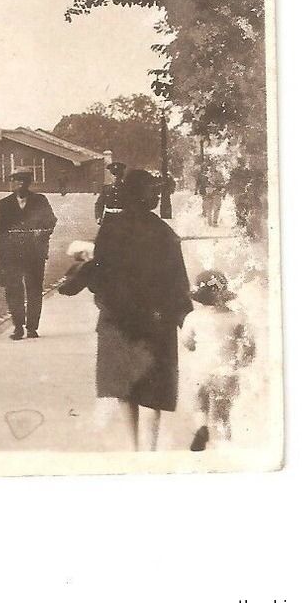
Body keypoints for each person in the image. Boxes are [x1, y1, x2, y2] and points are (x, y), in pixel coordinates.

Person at [87, 168, 194, 451]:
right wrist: (182, 315)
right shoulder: (162, 232)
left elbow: (98, 277)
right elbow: (177, 279)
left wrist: (106, 303)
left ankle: (134, 447)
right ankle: (150, 449)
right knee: (154, 388)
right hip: (155, 321)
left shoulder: (110, 228)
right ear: (138, 194)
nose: (157, 196)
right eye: (152, 191)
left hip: (119, 319)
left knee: (126, 388)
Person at [181, 269, 256, 451]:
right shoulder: (237, 317)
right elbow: (249, 347)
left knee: (200, 406)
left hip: (201, 373)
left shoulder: (193, 318)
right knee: (224, 414)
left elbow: (187, 342)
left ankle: (202, 428)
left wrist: (194, 346)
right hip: (226, 372)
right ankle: (226, 448)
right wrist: (241, 362)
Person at [0, 169, 58, 340]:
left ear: (30, 182)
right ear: (13, 183)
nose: (21, 184)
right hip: (12, 255)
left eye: (24, 181)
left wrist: (42, 233)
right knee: (13, 290)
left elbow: (51, 221)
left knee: (34, 290)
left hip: (35, 253)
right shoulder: (5, 204)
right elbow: (1, 232)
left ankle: (32, 327)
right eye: (18, 181)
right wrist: (2, 257)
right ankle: (18, 327)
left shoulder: (40, 200)